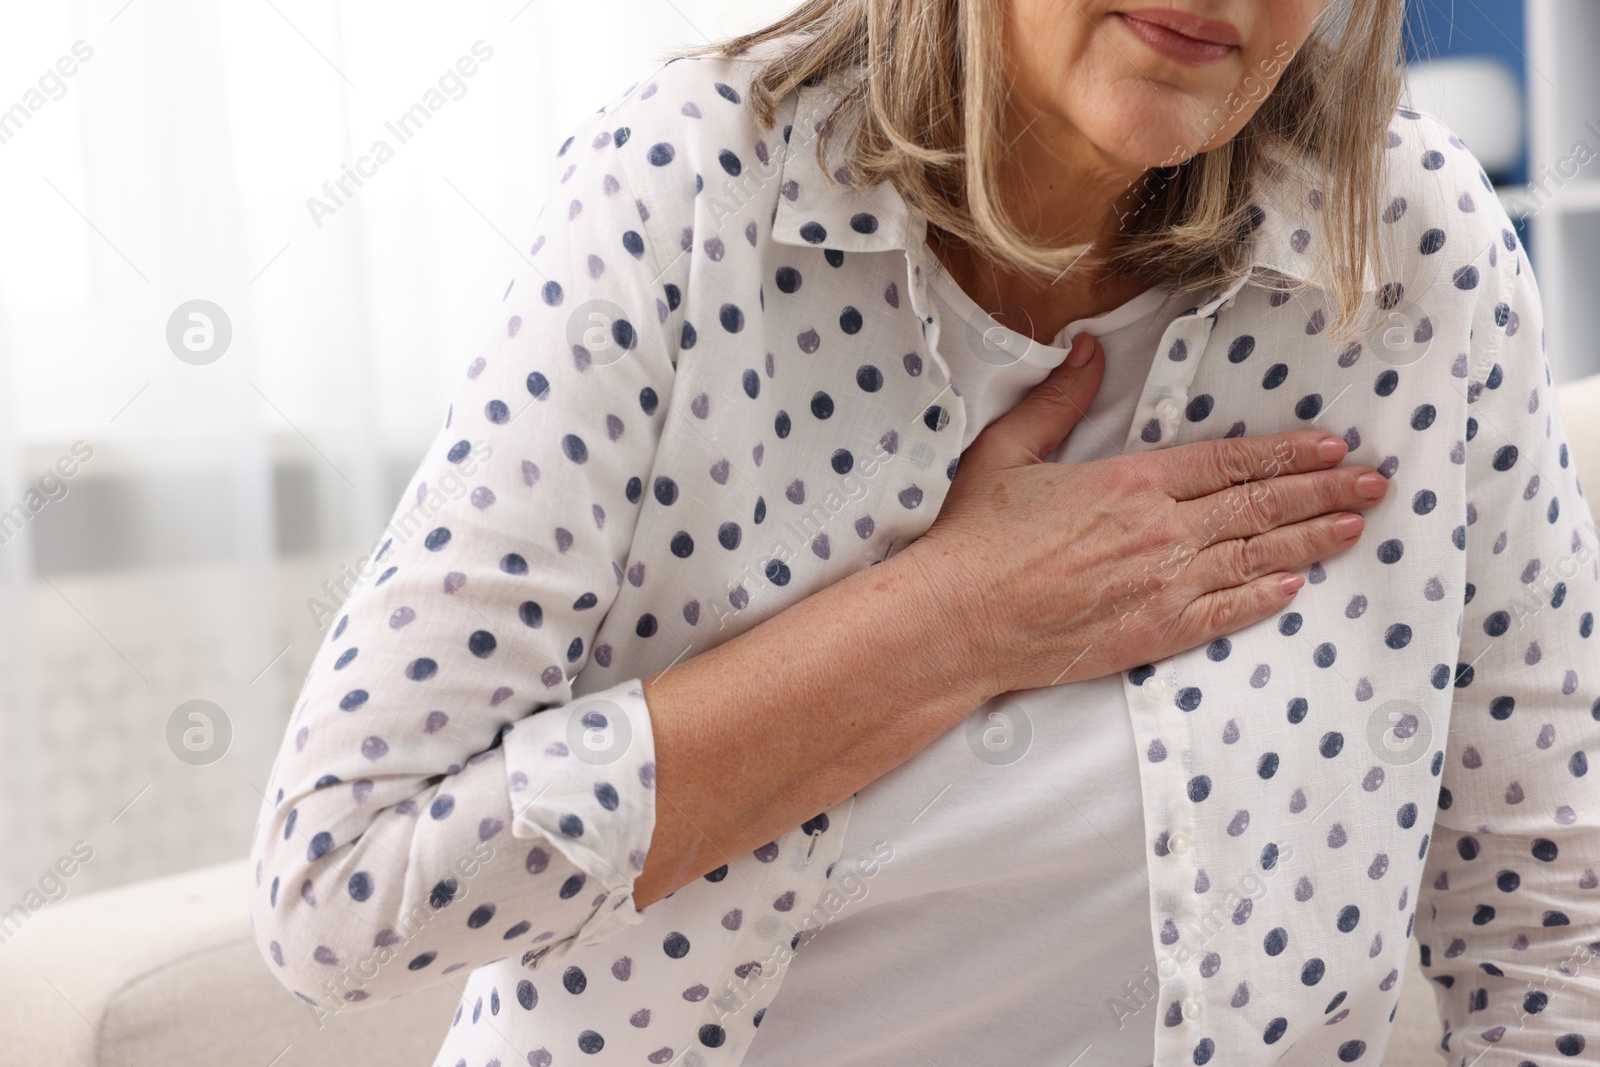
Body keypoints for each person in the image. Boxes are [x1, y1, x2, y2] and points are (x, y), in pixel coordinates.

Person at [246, 2, 1600, 1064]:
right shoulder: (693, 193)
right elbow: (343, 889)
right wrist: (949, 623)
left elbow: (1551, 908)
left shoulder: (1413, 251)